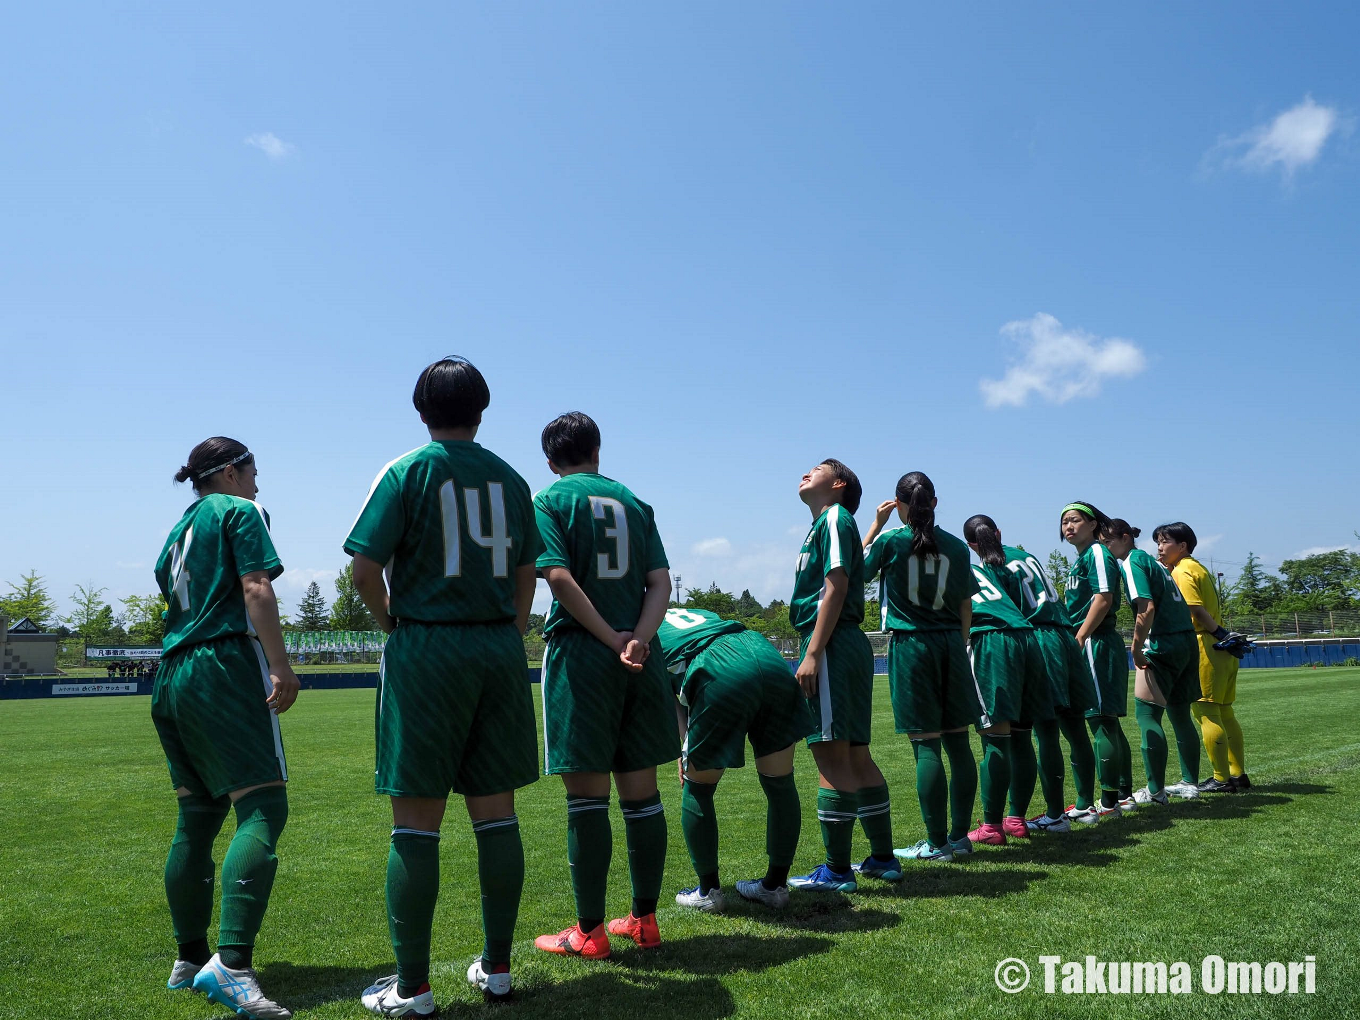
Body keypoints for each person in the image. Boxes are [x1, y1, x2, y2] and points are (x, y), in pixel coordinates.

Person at [345, 357, 542, 1011]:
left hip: (427, 646)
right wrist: (510, 632)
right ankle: (500, 970)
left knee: (415, 823)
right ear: (482, 410)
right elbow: (527, 572)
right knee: (497, 815)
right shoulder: (513, 479)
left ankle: (413, 988)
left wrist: (393, 624)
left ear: (419, 409)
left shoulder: (406, 471)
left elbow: (364, 570)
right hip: (498, 649)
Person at [152, 437, 299, 1020]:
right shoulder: (240, 510)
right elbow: (255, 587)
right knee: (263, 807)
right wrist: (281, 665)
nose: (259, 482)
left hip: (172, 672)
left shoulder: (176, 531)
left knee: (196, 816)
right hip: (223, 665)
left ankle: (189, 957)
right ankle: (231, 964)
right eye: (254, 470)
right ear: (233, 472)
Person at [532, 412, 678, 960]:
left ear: (551, 460)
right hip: (642, 656)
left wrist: (608, 637)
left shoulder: (549, 500)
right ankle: (644, 920)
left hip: (584, 655)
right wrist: (638, 638)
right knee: (643, 795)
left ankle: (589, 932)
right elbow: (660, 582)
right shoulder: (636, 503)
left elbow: (558, 576)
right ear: (597, 450)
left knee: (586, 799)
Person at [786, 460, 900, 892]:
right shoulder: (835, 522)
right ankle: (883, 859)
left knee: (831, 756)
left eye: (815, 469)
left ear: (837, 484)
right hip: (844, 642)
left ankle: (836, 871)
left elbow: (836, 583)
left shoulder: (833, 517)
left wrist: (813, 652)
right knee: (855, 756)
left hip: (830, 642)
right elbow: (852, 566)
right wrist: (874, 527)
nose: (804, 473)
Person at [863, 472, 988, 863]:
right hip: (951, 643)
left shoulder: (891, 541)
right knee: (959, 743)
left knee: (926, 744)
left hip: (913, 644)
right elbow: (966, 604)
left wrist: (875, 526)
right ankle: (959, 838)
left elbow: (854, 572)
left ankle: (936, 844)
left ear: (899, 503)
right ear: (934, 503)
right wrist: (959, 643)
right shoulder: (957, 546)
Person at [659, 606, 815, 911]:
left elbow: (663, 694)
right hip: (764, 652)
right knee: (780, 782)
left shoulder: (638, 625)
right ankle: (775, 887)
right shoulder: (686, 611)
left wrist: (685, 748)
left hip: (718, 664)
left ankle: (708, 891)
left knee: (698, 787)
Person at [991, 537, 1100, 832]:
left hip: (1039, 638)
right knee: (1076, 728)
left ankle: (1055, 815)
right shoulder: (1026, 555)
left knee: (1046, 731)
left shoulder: (993, 562)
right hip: (1064, 634)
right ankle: (1085, 805)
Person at [961, 515, 1057, 845]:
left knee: (995, 737)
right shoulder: (1015, 557)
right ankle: (1016, 818)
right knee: (1022, 735)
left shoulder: (962, 566)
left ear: (970, 545)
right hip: (1028, 637)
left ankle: (990, 827)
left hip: (993, 640)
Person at [1103, 519, 1202, 806]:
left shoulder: (1133, 562)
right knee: (1180, 715)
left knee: (1147, 716)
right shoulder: (1153, 562)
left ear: (1125, 538)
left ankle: (1156, 791)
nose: (1105, 549)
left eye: (1108, 542)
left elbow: (1146, 608)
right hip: (1186, 641)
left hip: (1162, 643)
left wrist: (1135, 648)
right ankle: (1190, 783)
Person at [1154, 522, 1251, 793]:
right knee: (1225, 713)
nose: (1159, 548)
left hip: (1205, 645)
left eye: (1165, 542)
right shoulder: (1198, 567)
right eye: (1158, 542)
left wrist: (1218, 632)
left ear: (1182, 545)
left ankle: (1221, 779)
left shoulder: (1183, 571)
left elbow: (1194, 609)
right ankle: (1237, 774)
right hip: (1220, 648)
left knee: (1206, 712)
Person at [1059, 502, 1132, 818]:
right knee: (1105, 722)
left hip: (1095, 642)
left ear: (1092, 525)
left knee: (1101, 720)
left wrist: (1080, 637)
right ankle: (1119, 796)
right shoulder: (1081, 559)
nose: (1068, 526)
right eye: (1064, 522)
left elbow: (1103, 599)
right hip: (1087, 641)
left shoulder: (1098, 554)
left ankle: (1109, 803)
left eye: (1075, 520)